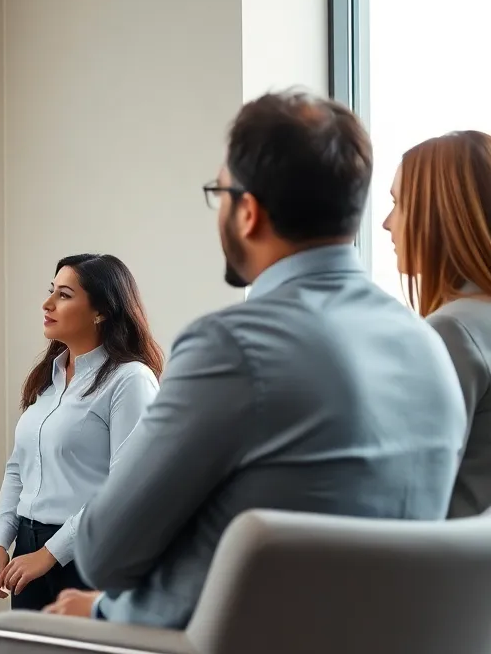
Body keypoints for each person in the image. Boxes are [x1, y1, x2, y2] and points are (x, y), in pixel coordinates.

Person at [46, 90, 465, 627]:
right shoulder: (426, 345)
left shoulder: (231, 347)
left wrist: (106, 606)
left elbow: (106, 552)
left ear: (247, 212)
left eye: (219, 192)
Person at [0, 253, 162, 610]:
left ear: (102, 311)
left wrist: (50, 553)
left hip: (87, 557)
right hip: (28, 553)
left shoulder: (129, 380)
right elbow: (19, 468)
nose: (47, 304)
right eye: (52, 291)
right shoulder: (46, 380)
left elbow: (125, 487)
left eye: (64, 295)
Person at [383, 130, 491, 518]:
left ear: (439, 214)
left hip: (444, 571)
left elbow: (407, 495)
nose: (386, 223)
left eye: (399, 203)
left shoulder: (452, 333)